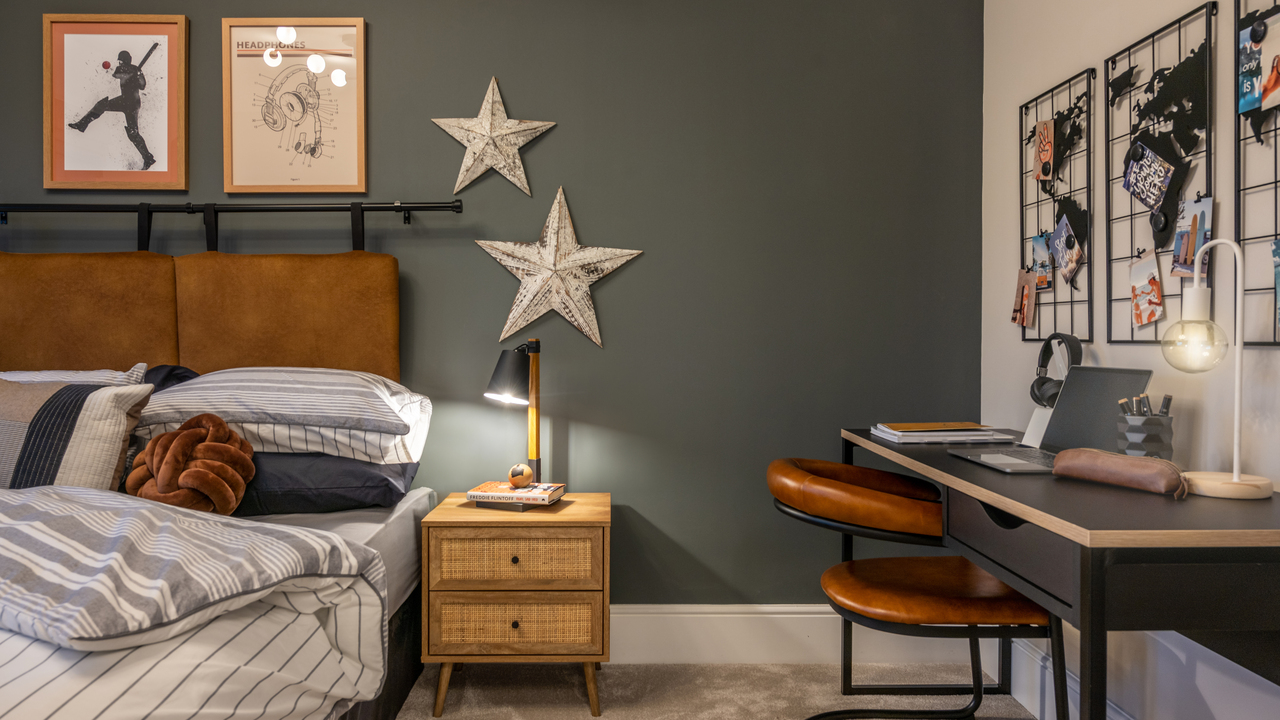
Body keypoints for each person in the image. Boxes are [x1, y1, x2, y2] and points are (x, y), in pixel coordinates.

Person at [68, 50, 156, 170]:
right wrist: (134, 73)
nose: (119, 64)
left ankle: (148, 158)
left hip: (131, 103)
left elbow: (142, 86)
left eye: (120, 61)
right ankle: (148, 158)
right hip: (128, 101)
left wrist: (139, 75)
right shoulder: (127, 69)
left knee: (130, 130)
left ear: (124, 60)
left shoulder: (135, 70)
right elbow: (116, 75)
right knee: (131, 132)